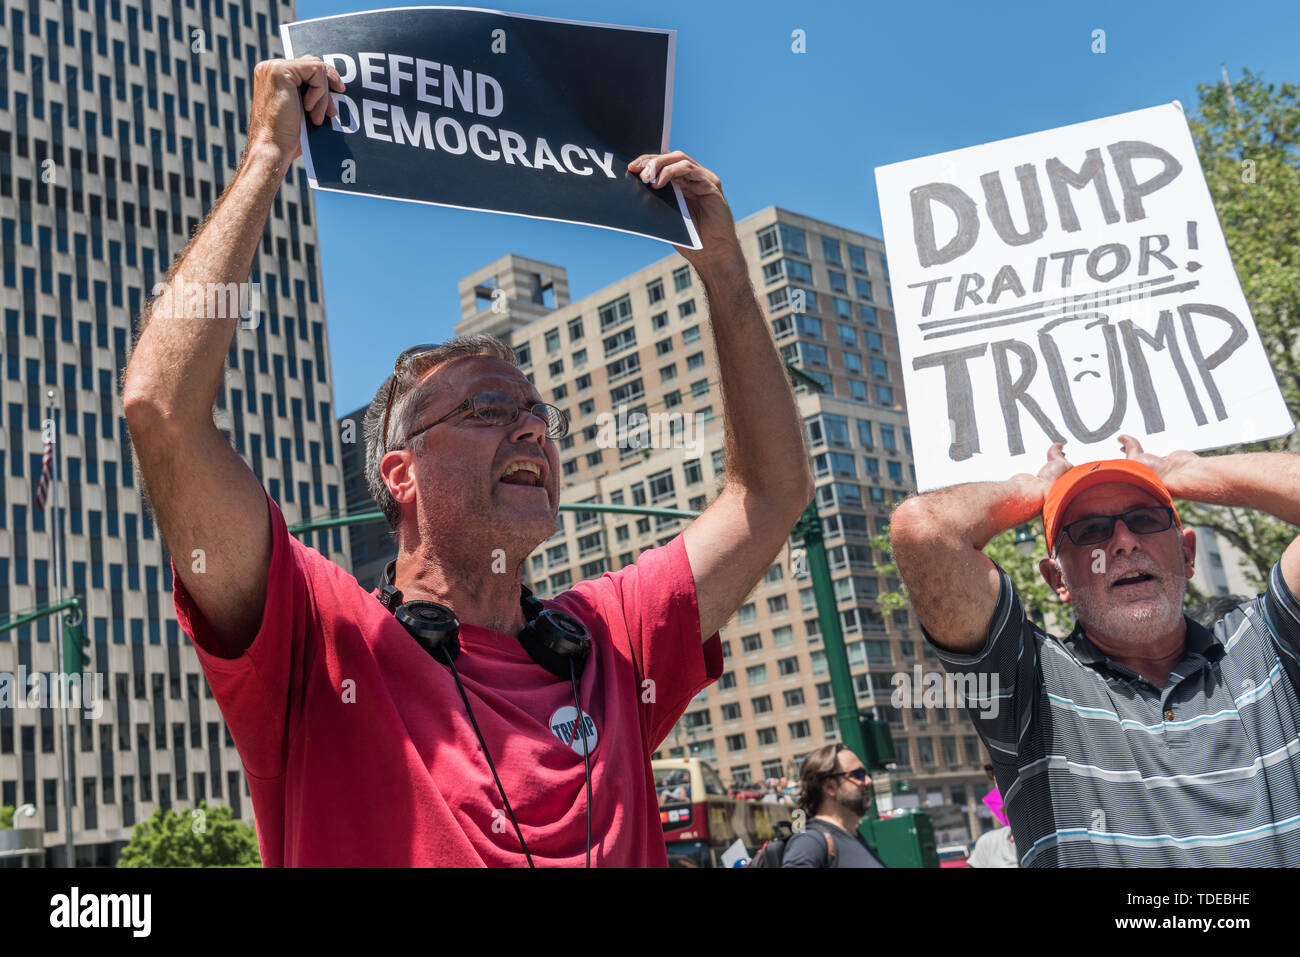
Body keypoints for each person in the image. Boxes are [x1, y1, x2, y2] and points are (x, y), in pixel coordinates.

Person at [122, 56, 814, 866]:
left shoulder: (608, 636)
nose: (531, 431)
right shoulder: (322, 641)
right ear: (399, 474)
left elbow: (772, 492)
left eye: (536, 414)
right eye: (488, 410)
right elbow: (160, 410)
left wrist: (724, 268)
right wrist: (268, 157)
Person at [889, 436, 1300, 866]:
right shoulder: (1029, 689)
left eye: (1144, 518)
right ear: (1057, 580)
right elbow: (925, 529)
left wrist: (1187, 472)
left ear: (1186, 553)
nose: (1123, 543)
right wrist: (1033, 488)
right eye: (1090, 530)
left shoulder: (1266, 645)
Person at [781, 744, 886, 868]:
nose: (868, 781)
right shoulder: (810, 842)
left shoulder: (852, 834)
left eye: (865, 773)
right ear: (830, 787)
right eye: (858, 775)